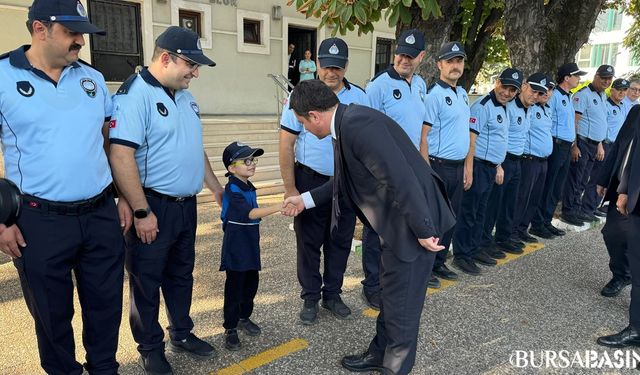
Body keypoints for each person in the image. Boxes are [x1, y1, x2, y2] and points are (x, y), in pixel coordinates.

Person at [283, 79, 456, 375]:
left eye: (302, 122)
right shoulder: (347, 122)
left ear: (314, 115)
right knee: (391, 295)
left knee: (403, 311)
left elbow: (400, 178)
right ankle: (380, 353)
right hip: (399, 223)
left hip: (415, 226)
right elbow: (344, 181)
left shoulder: (358, 126)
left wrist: (424, 230)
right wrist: (305, 200)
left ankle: (394, 366)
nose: (305, 130)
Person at [0, 0, 128, 373]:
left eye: (82, 34)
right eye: (72, 33)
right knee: (52, 315)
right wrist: (2, 220)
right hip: (38, 221)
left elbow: (107, 142)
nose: (80, 43)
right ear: (40, 29)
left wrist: (121, 197)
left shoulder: (91, 78)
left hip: (100, 215)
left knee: (105, 306)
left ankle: (104, 368)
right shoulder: (3, 75)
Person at [109, 26, 224, 375]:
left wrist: (216, 188)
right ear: (165, 58)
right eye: (190, 64)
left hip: (186, 205)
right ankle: (149, 348)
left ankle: (182, 333)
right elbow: (120, 155)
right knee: (146, 279)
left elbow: (194, 147)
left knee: (181, 275)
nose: (196, 72)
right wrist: (141, 209)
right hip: (153, 206)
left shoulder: (186, 97)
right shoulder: (134, 95)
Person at [279, 37, 368, 322]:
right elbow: (285, 144)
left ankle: (332, 294)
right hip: (309, 181)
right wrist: (291, 188)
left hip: (345, 184)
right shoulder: (300, 96)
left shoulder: (360, 97)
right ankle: (310, 298)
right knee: (308, 243)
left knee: (340, 241)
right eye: (327, 66)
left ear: (346, 66)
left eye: (338, 67)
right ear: (317, 64)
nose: (332, 72)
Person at [362, 29, 436, 298]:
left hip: (411, 169)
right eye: (401, 54)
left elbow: (419, 130)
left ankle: (394, 281)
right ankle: (371, 285)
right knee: (377, 230)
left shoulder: (420, 85)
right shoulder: (378, 86)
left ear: (421, 57)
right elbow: (366, 134)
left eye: (411, 56)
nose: (404, 59)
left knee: (404, 227)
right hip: (383, 172)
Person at [451, 68, 521, 275]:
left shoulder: (505, 107)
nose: (507, 93)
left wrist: (498, 165)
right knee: (469, 213)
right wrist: (469, 170)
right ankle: (462, 255)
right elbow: (471, 141)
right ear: (497, 82)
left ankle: (474, 249)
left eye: (512, 90)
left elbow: (500, 140)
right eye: (504, 86)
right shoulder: (483, 106)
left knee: (481, 213)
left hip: (491, 168)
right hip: (478, 166)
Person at [219, 142, 283, 351]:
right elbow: (250, 214)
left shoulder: (247, 186)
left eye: (252, 160)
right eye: (245, 161)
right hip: (236, 245)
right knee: (234, 287)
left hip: (249, 243)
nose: (251, 164)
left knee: (251, 283)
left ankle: (244, 317)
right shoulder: (232, 189)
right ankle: (230, 327)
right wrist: (279, 206)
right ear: (231, 168)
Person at [420, 41, 470, 282]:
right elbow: (423, 136)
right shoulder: (434, 96)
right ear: (439, 64)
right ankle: (426, 266)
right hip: (438, 166)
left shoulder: (462, 94)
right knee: (435, 219)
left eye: (458, 61)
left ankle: (439, 263)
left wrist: (467, 166)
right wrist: (426, 170)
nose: (455, 66)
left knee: (450, 218)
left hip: (457, 166)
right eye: (450, 61)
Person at [481, 73, 548, 255]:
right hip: (504, 161)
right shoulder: (509, 107)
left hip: (518, 161)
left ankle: (504, 237)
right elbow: (499, 137)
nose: (535, 96)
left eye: (539, 93)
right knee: (494, 204)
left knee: (510, 203)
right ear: (524, 87)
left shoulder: (531, 109)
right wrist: (498, 165)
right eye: (533, 91)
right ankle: (485, 242)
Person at [596, 105, 640, 348]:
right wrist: (606, 180)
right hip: (624, 189)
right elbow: (620, 150)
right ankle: (622, 274)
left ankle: (636, 328)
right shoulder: (636, 113)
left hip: (634, 192)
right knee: (612, 232)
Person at [529, 62, 587, 238]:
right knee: (549, 185)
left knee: (556, 187)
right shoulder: (553, 96)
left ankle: (546, 220)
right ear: (567, 77)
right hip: (556, 144)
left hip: (565, 146)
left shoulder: (568, 96)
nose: (579, 79)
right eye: (576, 76)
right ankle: (538, 223)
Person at [560, 64, 613, 226]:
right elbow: (574, 122)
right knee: (575, 179)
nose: (606, 81)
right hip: (582, 143)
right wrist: (574, 146)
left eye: (609, 79)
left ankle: (577, 210)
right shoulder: (583, 95)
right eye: (603, 78)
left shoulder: (602, 95)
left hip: (594, 145)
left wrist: (599, 144)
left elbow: (600, 123)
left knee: (583, 180)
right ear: (596, 76)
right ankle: (568, 211)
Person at [512, 77, 556, 242]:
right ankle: (513, 231)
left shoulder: (547, 109)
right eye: (541, 90)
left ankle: (523, 229)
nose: (545, 93)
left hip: (543, 160)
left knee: (534, 197)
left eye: (549, 90)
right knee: (522, 197)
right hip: (529, 159)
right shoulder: (530, 108)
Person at [588, 78, 629, 219]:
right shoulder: (606, 105)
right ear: (611, 90)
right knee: (597, 177)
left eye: (624, 90)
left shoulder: (622, 106)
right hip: (605, 144)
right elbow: (601, 126)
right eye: (619, 89)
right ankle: (588, 208)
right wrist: (600, 144)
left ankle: (596, 206)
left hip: (616, 146)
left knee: (607, 178)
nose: (621, 93)